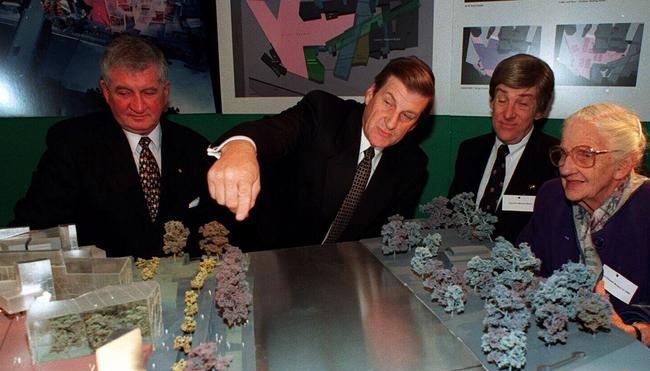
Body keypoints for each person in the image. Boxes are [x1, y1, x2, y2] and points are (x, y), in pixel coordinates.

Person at [12, 35, 218, 257]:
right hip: (102, 286)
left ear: (165, 92)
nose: (138, 106)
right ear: (106, 92)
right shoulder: (72, 144)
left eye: (149, 92)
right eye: (124, 93)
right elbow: (34, 227)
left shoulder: (195, 147)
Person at [206, 56, 435, 250]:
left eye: (407, 116)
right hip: (267, 257)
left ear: (414, 125)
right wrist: (241, 147)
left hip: (340, 278)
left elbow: (384, 241)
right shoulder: (324, 114)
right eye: (388, 103)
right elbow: (274, 131)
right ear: (370, 94)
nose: (392, 122)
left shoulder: (412, 166)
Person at [518, 103, 650, 346]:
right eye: (564, 153)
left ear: (623, 165)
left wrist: (637, 334)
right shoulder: (551, 196)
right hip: (555, 342)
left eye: (585, 155)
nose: (566, 168)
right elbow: (524, 265)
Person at [447, 54, 558, 243]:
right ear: (491, 102)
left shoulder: (555, 158)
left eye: (522, 103)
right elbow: (451, 214)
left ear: (540, 110)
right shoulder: (470, 150)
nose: (508, 114)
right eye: (502, 99)